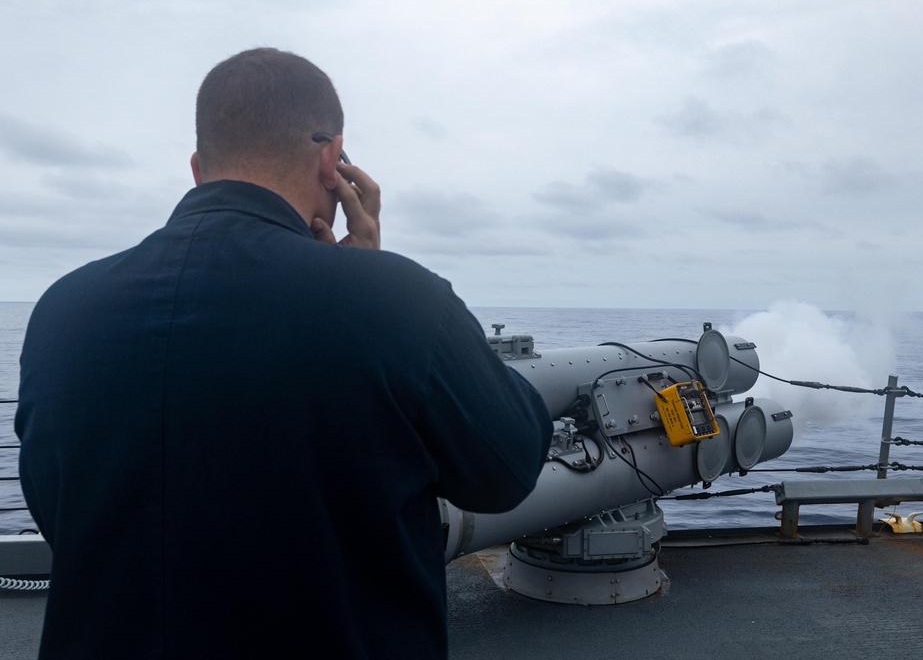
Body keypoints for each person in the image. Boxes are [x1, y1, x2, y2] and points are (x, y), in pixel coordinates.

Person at [16, 48, 552, 659]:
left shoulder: (61, 311)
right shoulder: (399, 300)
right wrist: (370, 279)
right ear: (333, 160)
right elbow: (507, 469)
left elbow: (56, 505)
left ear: (199, 167)